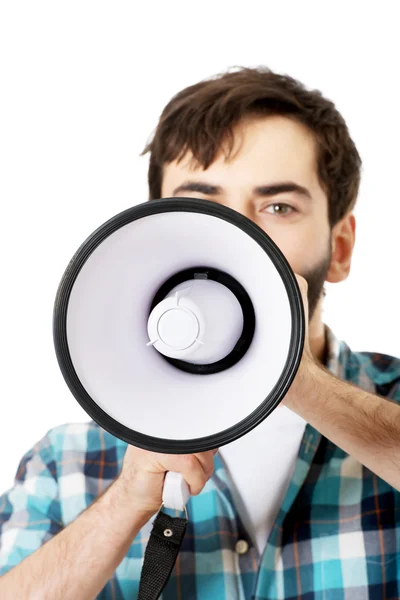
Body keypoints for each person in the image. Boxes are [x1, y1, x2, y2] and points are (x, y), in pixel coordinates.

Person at [0, 66, 399, 600]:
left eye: (278, 206)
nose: (238, 235)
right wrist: (125, 505)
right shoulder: (68, 461)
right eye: (202, 201)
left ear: (341, 246)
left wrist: (297, 381)